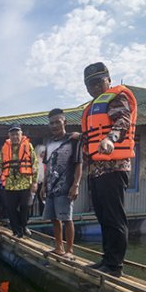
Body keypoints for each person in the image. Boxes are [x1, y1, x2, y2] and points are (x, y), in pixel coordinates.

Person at [78, 62, 137, 277]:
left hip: (113, 167)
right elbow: (90, 137)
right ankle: (107, 259)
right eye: (89, 85)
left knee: (114, 217)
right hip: (96, 170)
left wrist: (110, 138)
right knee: (103, 217)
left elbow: (122, 121)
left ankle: (115, 266)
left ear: (108, 80)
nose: (94, 88)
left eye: (98, 82)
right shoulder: (92, 108)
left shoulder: (116, 97)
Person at [41, 109, 82, 257]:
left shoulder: (73, 139)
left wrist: (75, 185)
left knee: (67, 218)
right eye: (51, 123)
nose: (54, 125)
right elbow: (48, 165)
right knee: (54, 218)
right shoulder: (49, 141)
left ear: (65, 122)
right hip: (51, 187)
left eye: (57, 122)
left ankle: (70, 250)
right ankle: (59, 247)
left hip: (65, 187)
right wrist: (44, 185)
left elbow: (78, 164)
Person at [0, 124, 39, 238]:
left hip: (25, 183)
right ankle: (16, 230)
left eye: (17, 134)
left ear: (21, 134)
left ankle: (23, 226)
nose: (14, 137)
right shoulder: (4, 148)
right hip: (9, 184)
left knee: (26, 206)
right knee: (11, 209)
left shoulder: (28, 146)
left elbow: (35, 164)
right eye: (12, 134)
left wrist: (34, 181)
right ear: (9, 135)